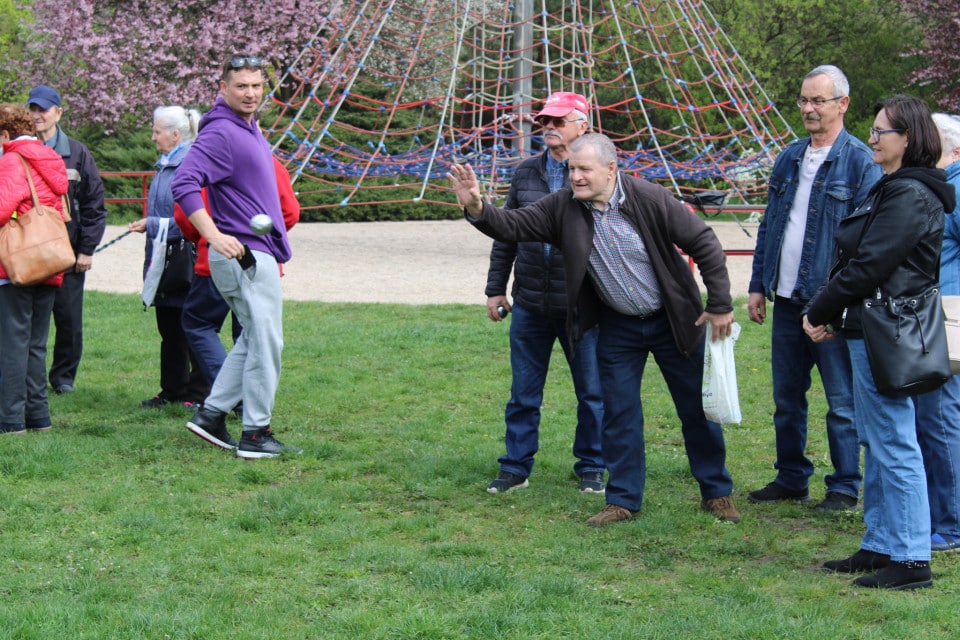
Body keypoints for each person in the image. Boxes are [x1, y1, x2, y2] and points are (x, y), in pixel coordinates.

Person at [449, 132, 741, 525]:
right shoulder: (562, 207)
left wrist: (720, 304)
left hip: (673, 320)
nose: (576, 177)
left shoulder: (648, 198)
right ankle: (623, 500)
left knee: (694, 410)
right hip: (618, 324)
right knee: (619, 412)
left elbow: (704, 242)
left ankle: (716, 493)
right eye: (571, 169)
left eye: (584, 169)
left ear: (610, 169)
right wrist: (479, 206)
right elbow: (512, 226)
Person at [805, 95, 955, 590]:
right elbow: (856, 258)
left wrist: (821, 308)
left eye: (880, 131)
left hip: (886, 330)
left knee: (894, 441)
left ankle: (912, 560)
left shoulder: (910, 193)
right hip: (867, 326)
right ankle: (882, 543)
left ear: (907, 138)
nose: (871, 137)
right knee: (879, 438)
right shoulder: (892, 187)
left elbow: (872, 263)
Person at [747, 65, 882, 511]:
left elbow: (864, 244)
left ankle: (844, 486)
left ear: (842, 104)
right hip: (785, 300)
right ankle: (791, 478)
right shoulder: (788, 157)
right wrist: (757, 286)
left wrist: (834, 304)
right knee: (786, 398)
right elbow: (769, 226)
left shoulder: (862, 162)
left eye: (817, 100)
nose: (808, 108)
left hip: (831, 305)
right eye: (804, 100)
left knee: (842, 401)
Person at [171, 53, 299, 459]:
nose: (250, 93)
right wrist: (214, 234)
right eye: (241, 86)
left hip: (255, 252)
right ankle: (255, 434)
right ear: (223, 89)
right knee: (266, 344)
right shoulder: (222, 132)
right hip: (242, 253)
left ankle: (211, 415)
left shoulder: (249, 127)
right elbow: (185, 182)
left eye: (257, 86)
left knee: (253, 340)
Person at [484, 91, 604, 494]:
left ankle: (592, 466)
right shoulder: (525, 174)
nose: (548, 128)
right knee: (523, 393)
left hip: (583, 305)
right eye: (544, 122)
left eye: (557, 121)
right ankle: (515, 467)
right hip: (532, 302)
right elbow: (505, 234)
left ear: (582, 125)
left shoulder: (602, 172)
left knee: (592, 393)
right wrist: (495, 288)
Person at [174, 155, 301, 393]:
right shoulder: (268, 161)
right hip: (260, 260)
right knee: (250, 332)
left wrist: (203, 237)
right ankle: (245, 399)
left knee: (199, 323)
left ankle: (230, 393)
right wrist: (263, 238)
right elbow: (290, 212)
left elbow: (185, 213)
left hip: (216, 260)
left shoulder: (206, 160)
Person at [27, 85, 107, 395]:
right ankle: (27, 375)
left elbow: (93, 205)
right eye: (32, 109)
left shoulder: (77, 152)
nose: (37, 115)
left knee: (69, 320)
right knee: (29, 319)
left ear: (58, 113)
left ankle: (63, 378)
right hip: (30, 250)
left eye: (43, 109)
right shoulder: (18, 150)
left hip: (68, 252)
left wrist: (86, 249)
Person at [129, 106, 208, 409]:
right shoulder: (165, 165)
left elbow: (195, 217)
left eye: (157, 132)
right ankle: (173, 388)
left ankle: (199, 392)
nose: (152, 138)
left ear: (176, 134)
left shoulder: (191, 166)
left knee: (192, 326)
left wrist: (151, 224)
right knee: (169, 327)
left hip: (185, 259)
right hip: (162, 257)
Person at [0, 104, 69, 434]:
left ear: (4, 134)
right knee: (37, 344)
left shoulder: (12, 160)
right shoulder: (50, 156)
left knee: (13, 343)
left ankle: (11, 420)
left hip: (18, 264)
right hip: (50, 262)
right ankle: (39, 418)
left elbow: (2, 210)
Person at [914, 112, 960, 553]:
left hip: (946, 320)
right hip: (931, 319)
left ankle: (951, 523)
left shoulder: (957, 188)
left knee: (941, 420)